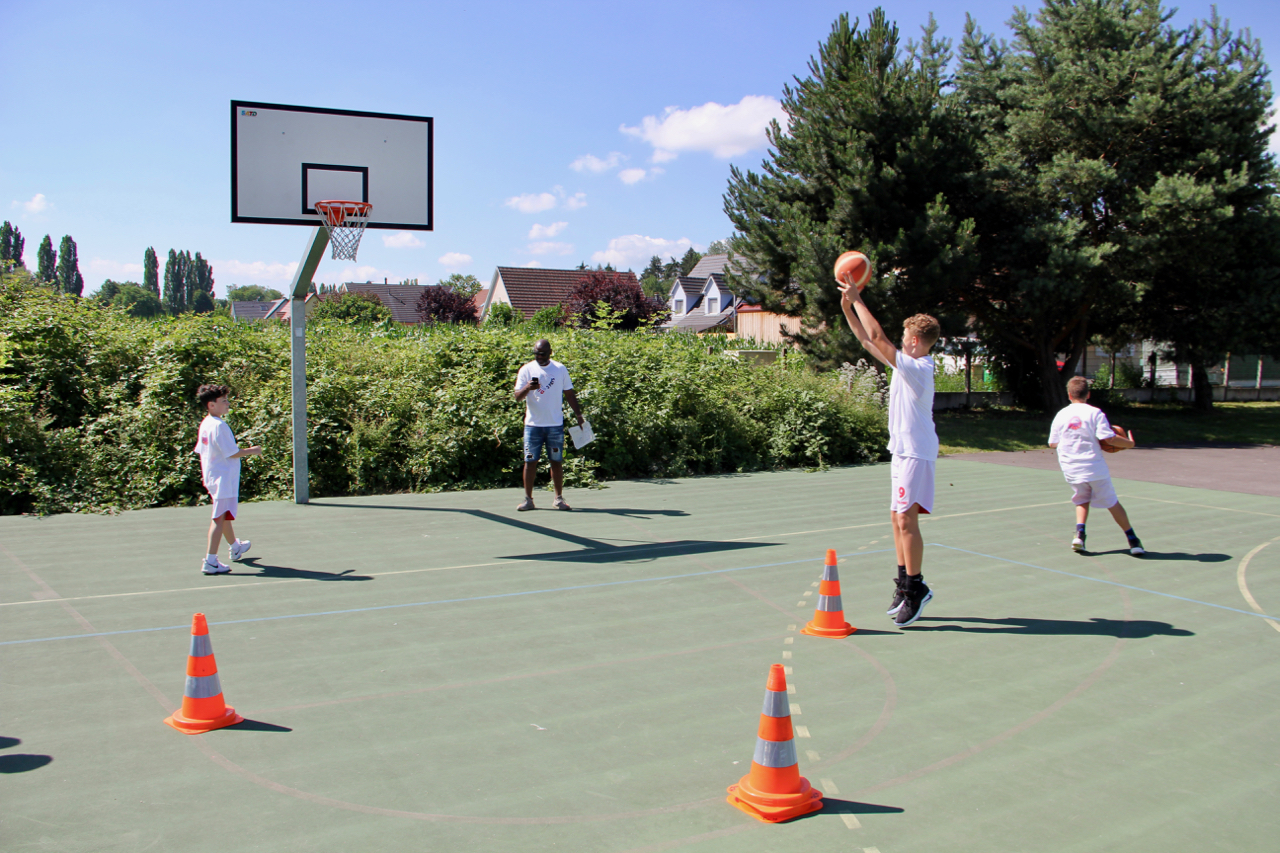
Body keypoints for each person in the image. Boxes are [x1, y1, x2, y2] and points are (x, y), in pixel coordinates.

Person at [838, 276, 941, 627]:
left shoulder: (919, 367)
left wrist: (859, 299)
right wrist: (848, 308)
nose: (898, 340)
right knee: (896, 518)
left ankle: (916, 589)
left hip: (916, 452)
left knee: (907, 520)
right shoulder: (904, 365)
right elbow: (867, 340)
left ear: (913, 341)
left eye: (903, 336)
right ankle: (903, 582)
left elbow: (878, 337)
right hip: (902, 451)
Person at [1048, 376, 1144, 555]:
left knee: (1082, 499)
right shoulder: (1095, 413)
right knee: (1112, 502)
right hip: (1093, 467)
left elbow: (1053, 443)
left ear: (1069, 395)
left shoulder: (1061, 414)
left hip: (1071, 468)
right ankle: (1133, 541)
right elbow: (1109, 439)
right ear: (1088, 394)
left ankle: (1079, 536)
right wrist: (1129, 443)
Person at [194, 384, 262, 574]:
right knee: (218, 518)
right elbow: (232, 452)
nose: (227, 404)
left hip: (214, 477)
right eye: (223, 401)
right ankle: (211, 561)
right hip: (222, 479)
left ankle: (235, 546)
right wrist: (253, 450)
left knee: (224, 515)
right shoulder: (219, 426)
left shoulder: (206, 423)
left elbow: (203, 450)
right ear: (211, 405)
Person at [513, 339, 584, 511]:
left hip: (554, 425)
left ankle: (558, 499)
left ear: (550, 353)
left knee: (556, 461)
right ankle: (528, 500)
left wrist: (578, 415)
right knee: (530, 461)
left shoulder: (559, 369)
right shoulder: (526, 369)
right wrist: (528, 387)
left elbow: (569, 393)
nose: (539, 357)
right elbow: (517, 397)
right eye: (536, 354)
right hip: (532, 426)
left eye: (543, 354)